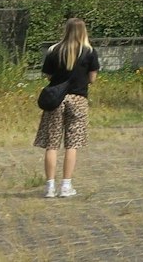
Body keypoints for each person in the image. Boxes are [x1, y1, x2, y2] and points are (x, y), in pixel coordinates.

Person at [35, 17, 101, 198]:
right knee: (72, 144)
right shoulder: (89, 51)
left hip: (56, 99)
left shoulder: (54, 50)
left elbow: (47, 75)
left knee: (52, 143)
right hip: (78, 98)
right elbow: (92, 78)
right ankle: (66, 185)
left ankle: (49, 186)